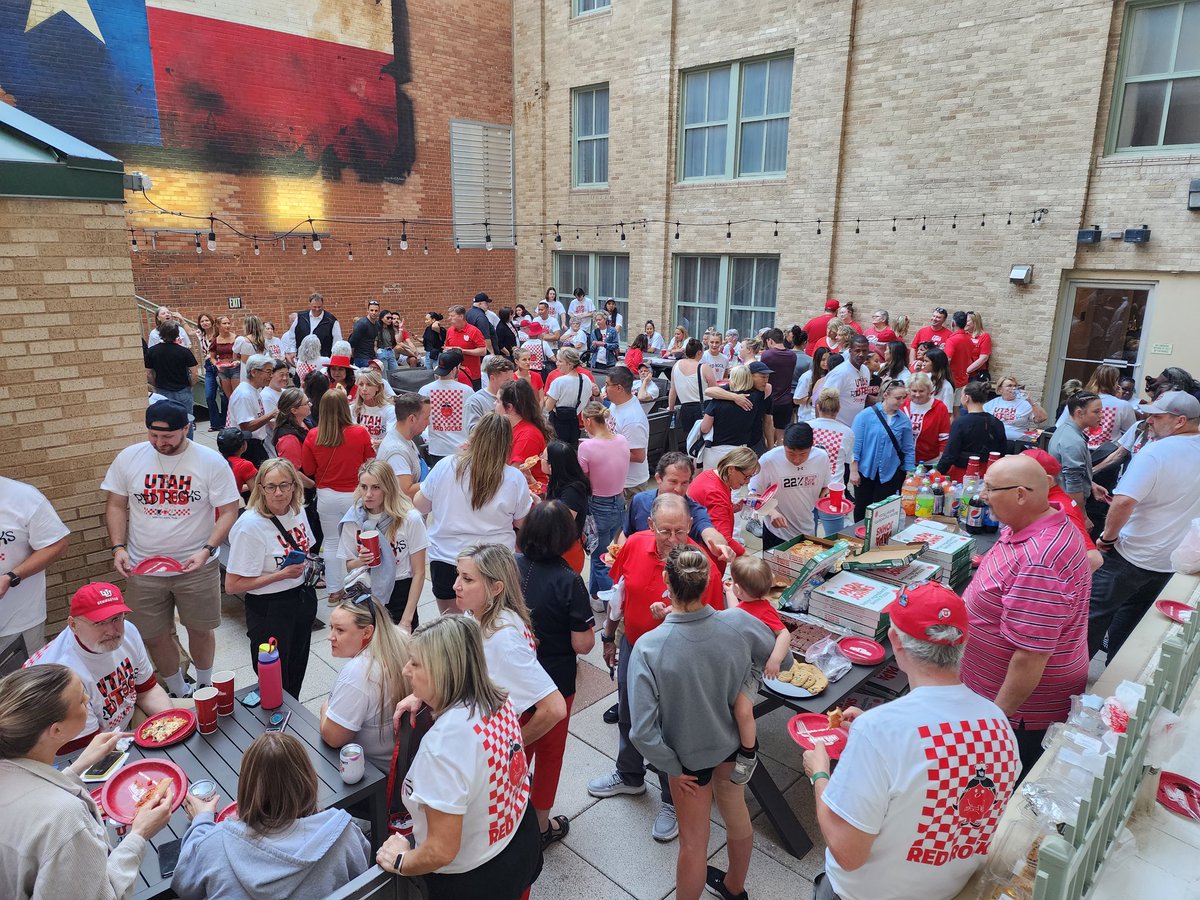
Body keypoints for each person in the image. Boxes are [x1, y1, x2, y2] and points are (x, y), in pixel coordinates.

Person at [803, 582, 1019, 900]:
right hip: (948, 889)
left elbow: (848, 855)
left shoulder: (879, 732)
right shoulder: (998, 723)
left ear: (895, 641)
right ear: (964, 641)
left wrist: (820, 774)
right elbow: (939, 757)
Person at [628, 545, 773, 899]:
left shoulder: (649, 647)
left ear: (666, 581)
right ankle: (735, 887)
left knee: (693, 845)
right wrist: (744, 690)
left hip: (687, 763)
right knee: (738, 821)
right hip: (734, 748)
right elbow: (776, 662)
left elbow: (642, 732)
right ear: (710, 581)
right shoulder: (738, 623)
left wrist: (672, 767)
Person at [590, 494, 726, 843]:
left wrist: (681, 618)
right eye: (665, 530)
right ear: (650, 526)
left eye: (680, 531)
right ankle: (629, 774)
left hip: (678, 662)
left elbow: (716, 624)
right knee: (630, 716)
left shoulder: (699, 563)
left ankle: (671, 799)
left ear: (690, 527)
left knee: (669, 730)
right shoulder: (634, 545)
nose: (673, 539)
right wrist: (609, 637)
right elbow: (619, 594)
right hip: (635, 647)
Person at [375, 616, 543, 898]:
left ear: (443, 672)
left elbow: (441, 850)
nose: (406, 670)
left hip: (475, 877)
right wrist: (426, 694)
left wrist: (400, 860)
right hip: (518, 835)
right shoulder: (497, 696)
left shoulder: (442, 749)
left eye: (415, 663)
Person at [960, 455, 1091, 771]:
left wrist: (995, 722)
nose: (982, 495)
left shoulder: (1040, 562)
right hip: (990, 693)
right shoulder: (1028, 524)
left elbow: (1030, 657)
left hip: (1019, 716)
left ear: (1021, 495)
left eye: (990, 488)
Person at [0, 665, 174, 900]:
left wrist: (77, 768)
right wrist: (139, 835)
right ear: (57, 730)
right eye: (82, 701)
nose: (89, 699)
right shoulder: (65, 820)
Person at [103, 400, 239, 696]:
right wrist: (118, 547)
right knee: (152, 634)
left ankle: (204, 684)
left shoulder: (210, 461)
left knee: (200, 629)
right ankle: (178, 689)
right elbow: (115, 504)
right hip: (143, 566)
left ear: (186, 429)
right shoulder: (129, 458)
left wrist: (206, 549)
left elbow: (229, 510)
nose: (159, 443)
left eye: (167, 437)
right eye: (153, 435)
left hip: (197, 565)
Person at [173, 732, 369, 899]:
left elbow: (184, 885)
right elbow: (362, 876)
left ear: (246, 789)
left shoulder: (215, 843)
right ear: (308, 780)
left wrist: (201, 820)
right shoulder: (342, 833)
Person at [1088, 391, 1200, 663]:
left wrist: (1107, 537)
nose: (1149, 421)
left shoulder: (1157, 451)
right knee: (1131, 623)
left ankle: (1066, 683)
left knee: (1090, 619)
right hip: (1170, 561)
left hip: (1131, 554)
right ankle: (1111, 682)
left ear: (1180, 421)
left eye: (1156, 416)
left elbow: (1124, 502)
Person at [24, 582, 173, 751]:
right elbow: (87, 749)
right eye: (99, 623)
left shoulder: (129, 632)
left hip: (124, 723)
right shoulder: (60, 674)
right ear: (73, 625)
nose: (111, 630)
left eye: (116, 618)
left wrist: (170, 725)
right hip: (78, 751)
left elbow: (147, 691)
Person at [417, 414, 533, 615]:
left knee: (452, 630)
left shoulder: (446, 465)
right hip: (493, 563)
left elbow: (420, 504)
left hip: (446, 558)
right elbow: (523, 522)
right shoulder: (514, 478)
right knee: (492, 628)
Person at [224, 459, 317, 698]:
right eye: (271, 486)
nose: (279, 493)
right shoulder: (250, 527)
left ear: (294, 486)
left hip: (302, 599)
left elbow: (307, 549)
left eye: (285, 485)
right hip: (270, 610)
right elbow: (233, 585)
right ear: (261, 489)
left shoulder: (298, 511)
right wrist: (280, 575)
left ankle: (293, 717)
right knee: (274, 678)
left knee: (297, 668)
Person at [321, 592, 414, 773]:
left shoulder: (359, 673)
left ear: (367, 631)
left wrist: (325, 706)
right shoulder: (400, 639)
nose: (330, 637)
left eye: (340, 630)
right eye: (331, 627)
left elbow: (333, 737)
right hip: (399, 766)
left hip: (372, 776)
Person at [301, 392, 375, 603]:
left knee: (332, 543)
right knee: (362, 544)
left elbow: (308, 468)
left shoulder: (313, 435)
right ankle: (362, 584)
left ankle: (334, 591)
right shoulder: (360, 432)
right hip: (355, 494)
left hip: (327, 496)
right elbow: (370, 462)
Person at [338, 460, 427, 630]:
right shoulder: (353, 519)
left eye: (376, 487)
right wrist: (361, 560)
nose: (368, 494)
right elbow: (349, 566)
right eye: (364, 487)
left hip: (400, 590)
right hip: (366, 591)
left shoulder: (409, 518)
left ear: (388, 488)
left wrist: (406, 621)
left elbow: (419, 572)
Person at [0, 476, 69, 658]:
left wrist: (11, 577)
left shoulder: (24, 497)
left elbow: (56, 544)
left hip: (18, 621)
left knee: (24, 684)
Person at [623, 453, 735, 564]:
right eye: (673, 482)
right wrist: (621, 555)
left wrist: (720, 545)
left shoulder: (694, 510)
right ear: (658, 478)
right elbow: (626, 534)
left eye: (684, 483)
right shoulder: (639, 501)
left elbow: (708, 530)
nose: (678, 489)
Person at [749, 422, 832, 548]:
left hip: (807, 528)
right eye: (791, 454)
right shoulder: (768, 460)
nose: (796, 460)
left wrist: (829, 496)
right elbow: (754, 496)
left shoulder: (821, 458)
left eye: (803, 454)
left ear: (812, 447)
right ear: (783, 443)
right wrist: (771, 512)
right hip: (776, 532)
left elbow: (824, 488)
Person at [1021, 448, 1103, 572]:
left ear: (1047, 480)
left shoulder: (1058, 508)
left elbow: (1093, 559)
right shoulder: (1047, 498)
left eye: (1019, 474)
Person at [851, 381, 916, 521]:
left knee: (883, 511)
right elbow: (855, 445)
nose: (901, 401)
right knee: (862, 507)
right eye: (898, 398)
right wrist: (853, 470)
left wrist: (910, 473)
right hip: (865, 471)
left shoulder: (904, 421)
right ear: (886, 395)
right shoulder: (865, 416)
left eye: (903, 397)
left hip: (890, 472)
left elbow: (908, 449)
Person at [686, 447, 756, 570]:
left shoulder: (709, 475)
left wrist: (731, 508)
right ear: (731, 469)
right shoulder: (715, 493)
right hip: (708, 558)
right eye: (746, 477)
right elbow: (724, 540)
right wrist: (749, 559)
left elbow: (711, 511)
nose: (747, 482)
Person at [1047, 390, 1108, 514]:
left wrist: (1091, 484)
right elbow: (1073, 483)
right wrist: (1082, 516)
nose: (1101, 415)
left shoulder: (1065, 430)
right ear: (1079, 413)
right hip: (1066, 507)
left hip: (1062, 502)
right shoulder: (1073, 441)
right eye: (1096, 412)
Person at [937, 381, 1008, 482]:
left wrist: (938, 472)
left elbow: (950, 454)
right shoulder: (997, 422)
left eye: (961, 395)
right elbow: (1002, 451)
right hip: (988, 473)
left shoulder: (960, 423)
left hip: (962, 474)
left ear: (966, 398)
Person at [418, 349, 474, 467]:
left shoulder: (425, 390)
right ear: (455, 369)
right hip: (461, 449)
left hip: (437, 449)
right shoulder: (467, 390)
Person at [145, 320, 198, 437]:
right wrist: (190, 384)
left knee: (167, 421)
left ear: (160, 334)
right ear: (177, 334)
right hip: (183, 390)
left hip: (163, 391)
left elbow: (148, 373)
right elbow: (194, 373)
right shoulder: (184, 351)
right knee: (187, 420)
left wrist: (155, 384)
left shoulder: (152, 351)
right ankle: (188, 444)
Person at [604, 365, 651, 495]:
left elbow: (638, 455)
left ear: (619, 388)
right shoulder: (617, 404)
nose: (604, 388)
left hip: (630, 486)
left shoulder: (633, 419)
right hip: (617, 480)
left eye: (607, 384)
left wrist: (604, 449)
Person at [378, 391, 430, 500]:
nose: (428, 422)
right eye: (426, 418)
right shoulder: (396, 452)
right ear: (412, 419)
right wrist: (435, 479)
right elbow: (406, 492)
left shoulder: (405, 439)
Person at [228, 353, 275, 465]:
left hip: (256, 444)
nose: (271, 376)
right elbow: (246, 426)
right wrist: (271, 415)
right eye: (268, 372)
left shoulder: (254, 390)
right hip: (248, 447)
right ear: (254, 372)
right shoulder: (244, 394)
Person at [543, 347, 590, 444]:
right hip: (574, 422)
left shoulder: (559, 382)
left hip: (557, 423)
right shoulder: (586, 379)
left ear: (569, 364)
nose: (557, 364)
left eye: (560, 361)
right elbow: (586, 402)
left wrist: (545, 399)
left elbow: (548, 407)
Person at [902, 373, 951, 467]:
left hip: (931, 461)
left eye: (921, 391)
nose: (917, 394)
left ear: (929, 391)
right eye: (914, 391)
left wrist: (941, 463)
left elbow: (944, 437)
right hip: (906, 460)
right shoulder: (903, 405)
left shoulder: (940, 407)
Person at [810, 388, 856, 485]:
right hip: (834, 486)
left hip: (810, 484)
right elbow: (848, 460)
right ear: (839, 408)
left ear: (818, 407)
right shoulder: (848, 432)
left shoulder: (806, 427)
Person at [824, 335, 872, 426]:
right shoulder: (840, 373)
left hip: (856, 426)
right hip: (838, 427)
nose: (861, 354)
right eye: (857, 351)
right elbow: (822, 401)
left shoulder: (865, 370)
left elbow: (862, 396)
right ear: (850, 351)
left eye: (864, 351)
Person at [985, 376, 1049, 442]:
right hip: (994, 438)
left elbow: (1042, 418)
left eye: (1015, 386)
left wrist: (1031, 401)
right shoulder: (991, 404)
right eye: (1009, 386)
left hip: (1016, 441)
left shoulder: (1025, 404)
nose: (1014, 388)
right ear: (1000, 389)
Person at [349, 366, 396, 449]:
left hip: (381, 454)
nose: (364, 389)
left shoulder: (389, 409)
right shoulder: (352, 409)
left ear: (378, 387)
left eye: (369, 385)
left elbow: (392, 436)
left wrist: (381, 442)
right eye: (361, 384)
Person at [444, 305, 488, 390]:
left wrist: (463, 351)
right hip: (454, 376)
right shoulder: (450, 331)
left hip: (472, 375)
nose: (449, 319)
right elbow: (446, 347)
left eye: (452, 316)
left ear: (461, 316)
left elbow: (483, 351)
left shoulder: (474, 331)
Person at [286, 292, 342, 358]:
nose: (317, 309)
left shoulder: (331, 321)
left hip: (322, 358)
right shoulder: (300, 317)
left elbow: (337, 341)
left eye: (319, 307)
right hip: (302, 358)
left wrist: (333, 357)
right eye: (314, 307)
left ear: (323, 305)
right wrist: (293, 350)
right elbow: (292, 334)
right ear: (310, 305)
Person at [217, 427, 257, 498]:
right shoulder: (244, 465)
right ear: (242, 446)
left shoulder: (214, 462)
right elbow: (256, 493)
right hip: (230, 506)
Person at [942, 311, 974, 393]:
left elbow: (947, 360)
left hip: (950, 381)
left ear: (953, 323)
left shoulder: (952, 340)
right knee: (956, 406)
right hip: (963, 381)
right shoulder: (969, 339)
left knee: (946, 405)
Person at [922, 347, 956, 411]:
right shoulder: (924, 378)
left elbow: (947, 412)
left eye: (926, 361)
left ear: (936, 363)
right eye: (923, 361)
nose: (923, 364)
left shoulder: (947, 387)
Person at [965, 310, 992, 382]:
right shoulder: (963, 335)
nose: (964, 323)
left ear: (975, 322)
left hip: (975, 375)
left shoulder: (984, 336)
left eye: (967, 321)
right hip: (960, 374)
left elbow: (983, 358)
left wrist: (967, 371)